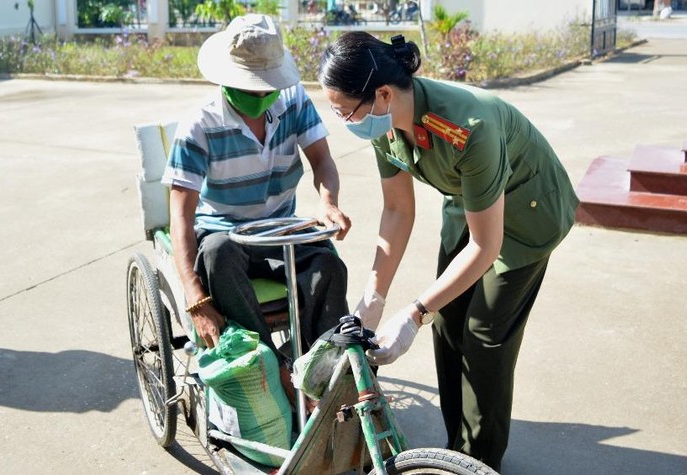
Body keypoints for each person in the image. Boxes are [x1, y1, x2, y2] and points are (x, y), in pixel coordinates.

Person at [319, 32, 579, 471]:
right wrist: (375, 297)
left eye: (346, 111)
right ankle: (455, 449)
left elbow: (486, 246)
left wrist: (415, 311)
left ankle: (480, 460)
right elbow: (398, 211)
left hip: (528, 214)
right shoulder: (385, 122)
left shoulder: (467, 128)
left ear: (382, 94)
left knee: (483, 334)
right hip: (472, 206)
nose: (344, 121)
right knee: (447, 323)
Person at [161, 14, 352, 401]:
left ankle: (322, 372)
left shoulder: (293, 99)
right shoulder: (199, 125)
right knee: (215, 252)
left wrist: (328, 202)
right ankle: (273, 367)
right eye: (250, 88)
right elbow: (181, 214)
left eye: (267, 87)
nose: (261, 95)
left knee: (328, 264)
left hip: (279, 230)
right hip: (224, 234)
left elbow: (322, 160)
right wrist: (194, 297)